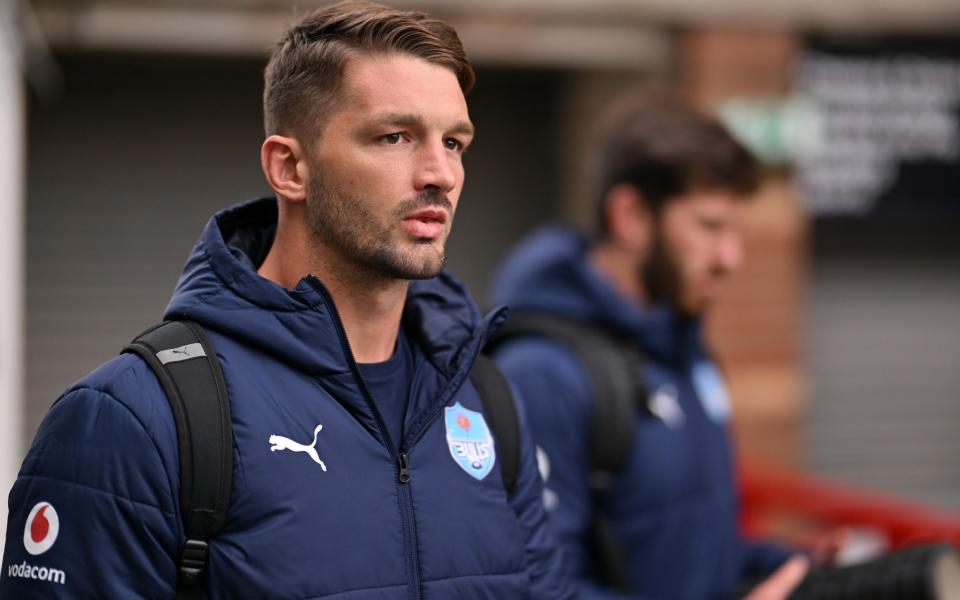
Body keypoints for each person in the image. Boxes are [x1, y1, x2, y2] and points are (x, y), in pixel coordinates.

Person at [0, 2, 574, 598]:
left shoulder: (486, 399)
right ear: (289, 168)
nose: (441, 174)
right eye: (395, 136)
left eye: (454, 143)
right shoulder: (135, 418)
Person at [489, 95, 809, 599]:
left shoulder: (685, 349)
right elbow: (537, 588)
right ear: (631, 216)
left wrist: (797, 564)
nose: (732, 258)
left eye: (737, 231)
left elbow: (688, 549)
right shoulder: (542, 374)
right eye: (710, 227)